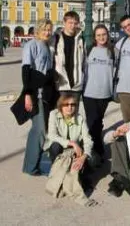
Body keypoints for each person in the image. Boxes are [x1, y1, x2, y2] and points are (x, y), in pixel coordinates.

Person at [21, 19, 54, 175]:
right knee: (39, 129)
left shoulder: (47, 47)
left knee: (39, 129)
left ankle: (32, 164)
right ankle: (31, 167)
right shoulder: (31, 46)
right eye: (44, 29)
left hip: (46, 94)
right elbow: (26, 71)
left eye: (49, 29)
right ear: (38, 30)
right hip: (35, 93)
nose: (47, 32)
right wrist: (27, 94)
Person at [83, 24, 113, 162]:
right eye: (98, 35)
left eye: (104, 34)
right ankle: (97, 151)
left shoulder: (112, 51)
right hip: (89, 93)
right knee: (92, 122)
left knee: (98, 121)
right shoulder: (89, 50)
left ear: (107, 35)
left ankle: (94, 149)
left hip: (105, 93)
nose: (101, 37)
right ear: (95, 37)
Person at [46, 94, 93, 180]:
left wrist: (84, 156)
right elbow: (51, 135)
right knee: (55, 146)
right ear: (61, 106)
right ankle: (57, 172)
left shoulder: (80, 118)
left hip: (74, 151)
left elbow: (88, 139)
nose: (70, 107)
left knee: (93, 160)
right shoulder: (53, 114)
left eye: (72, 105)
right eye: (66, 104)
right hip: (60, 148)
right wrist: (72, 143)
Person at [51, 11, 86, 103]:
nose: (72, 26)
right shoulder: (55, 38)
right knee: (60, 115)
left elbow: (85, 62)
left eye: (75, 23)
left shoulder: (81, 39)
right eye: (70, 23)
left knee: (74, 115)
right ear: (64, 23)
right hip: (61, 85)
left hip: (77, 86)